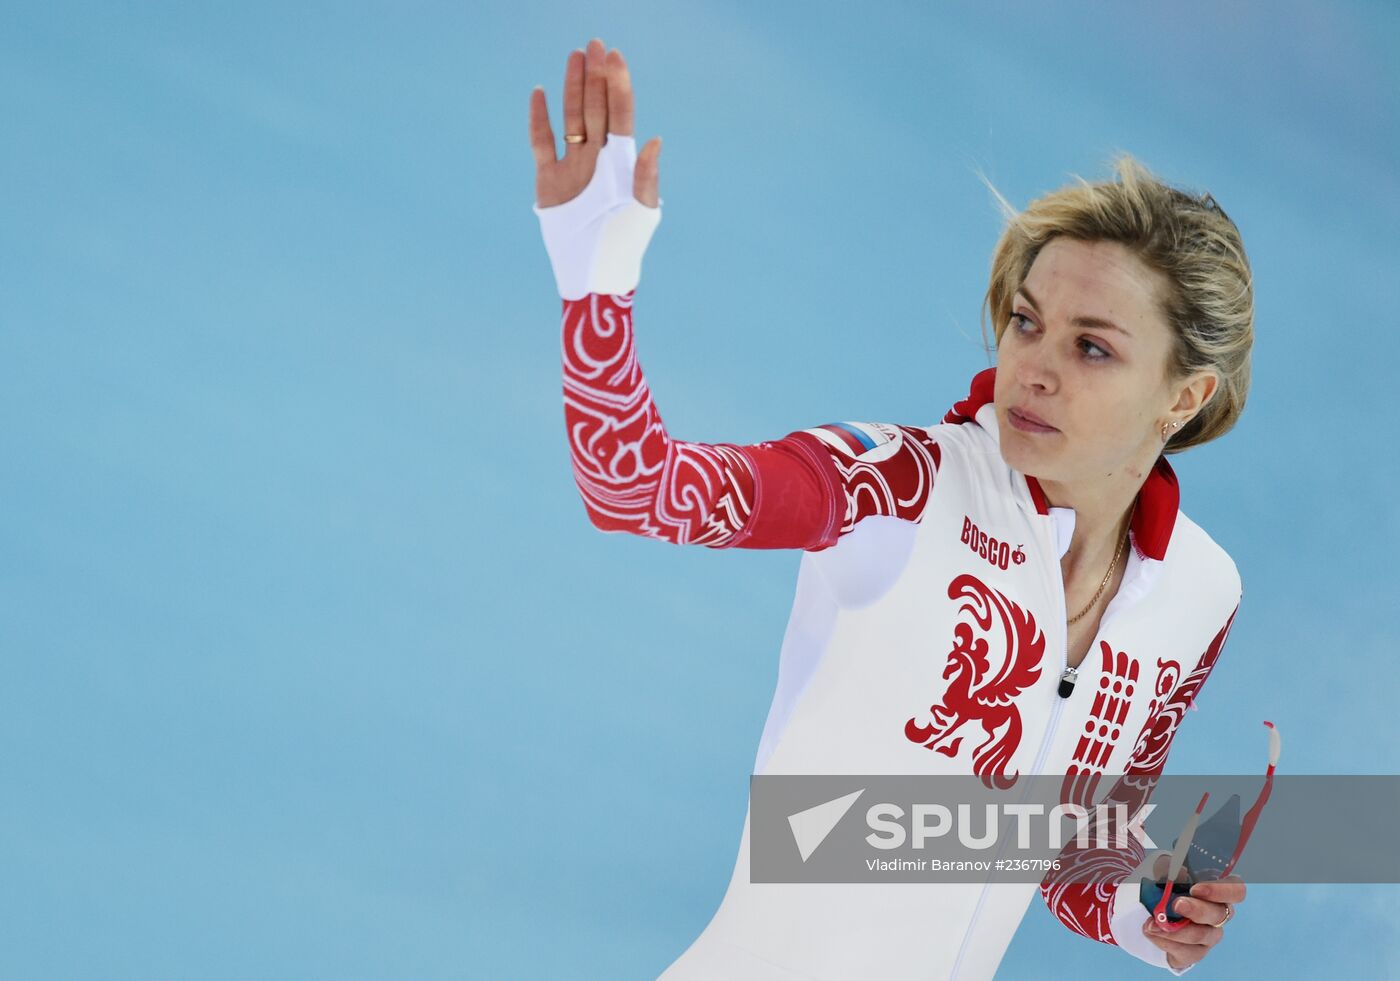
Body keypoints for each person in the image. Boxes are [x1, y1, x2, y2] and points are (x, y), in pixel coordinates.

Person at [527, 38, 1254, 979]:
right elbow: (634, 487)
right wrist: (596, 281)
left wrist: (1146, 907)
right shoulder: (898, 488)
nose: (1032, 365)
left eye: (1093, 348)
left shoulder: (1198, 593)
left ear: (1184, 397)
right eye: (1026, 320)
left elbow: (1077, 849)